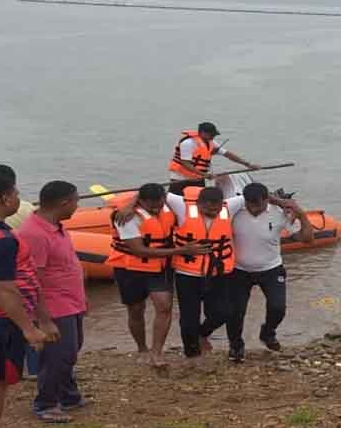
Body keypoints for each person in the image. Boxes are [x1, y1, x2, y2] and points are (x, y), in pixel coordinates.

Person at [0, 174, 57, 428]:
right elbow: (4, 290)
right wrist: (28, 328)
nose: (19, 198)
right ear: (4, 199)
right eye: (16, 193)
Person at [107, 183, 208, 367]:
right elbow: (139, 251)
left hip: (160, 268)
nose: (155, 209)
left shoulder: (168, 208)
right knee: (136, 310)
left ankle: (157, 352)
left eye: (159, 204)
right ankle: (142, 349)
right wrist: (182, 250)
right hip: (130, 270)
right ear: (141, 202)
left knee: (164, 307)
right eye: (151, 206)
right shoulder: (127, 218)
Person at [17, 181, 89, 423]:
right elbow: (32, 279)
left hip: (71, 301)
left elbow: (64, 263)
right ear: (64, 203)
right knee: (59, 354)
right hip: (54, 305)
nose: (77, 206)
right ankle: (46, 403)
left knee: (71, 349)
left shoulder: (56, 227)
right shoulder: (34, 233)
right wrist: (43, 320)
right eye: (76, 200)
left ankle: (69, 395)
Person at [226, 183, 313, 362]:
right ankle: (236, 346)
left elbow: (307, 240)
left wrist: (302, 214)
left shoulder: (279, 212)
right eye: (250, 204)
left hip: (271, 269)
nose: (253, 208)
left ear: (267, 200)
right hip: (239, 271)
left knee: (278, 308)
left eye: (258, 204)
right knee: (235, 312)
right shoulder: (234, 211)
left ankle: (267, 333)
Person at [168, 122, 260, 195]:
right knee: (176, 200)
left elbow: (228, 154)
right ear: (202, 133)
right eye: (211, 134)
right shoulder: (188, 143)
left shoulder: (211, 142)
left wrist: (247, 164)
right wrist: (204, 175)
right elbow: (185, 163)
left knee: (199, 202)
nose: (213, 137)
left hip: (198, 179)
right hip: (180, 179)